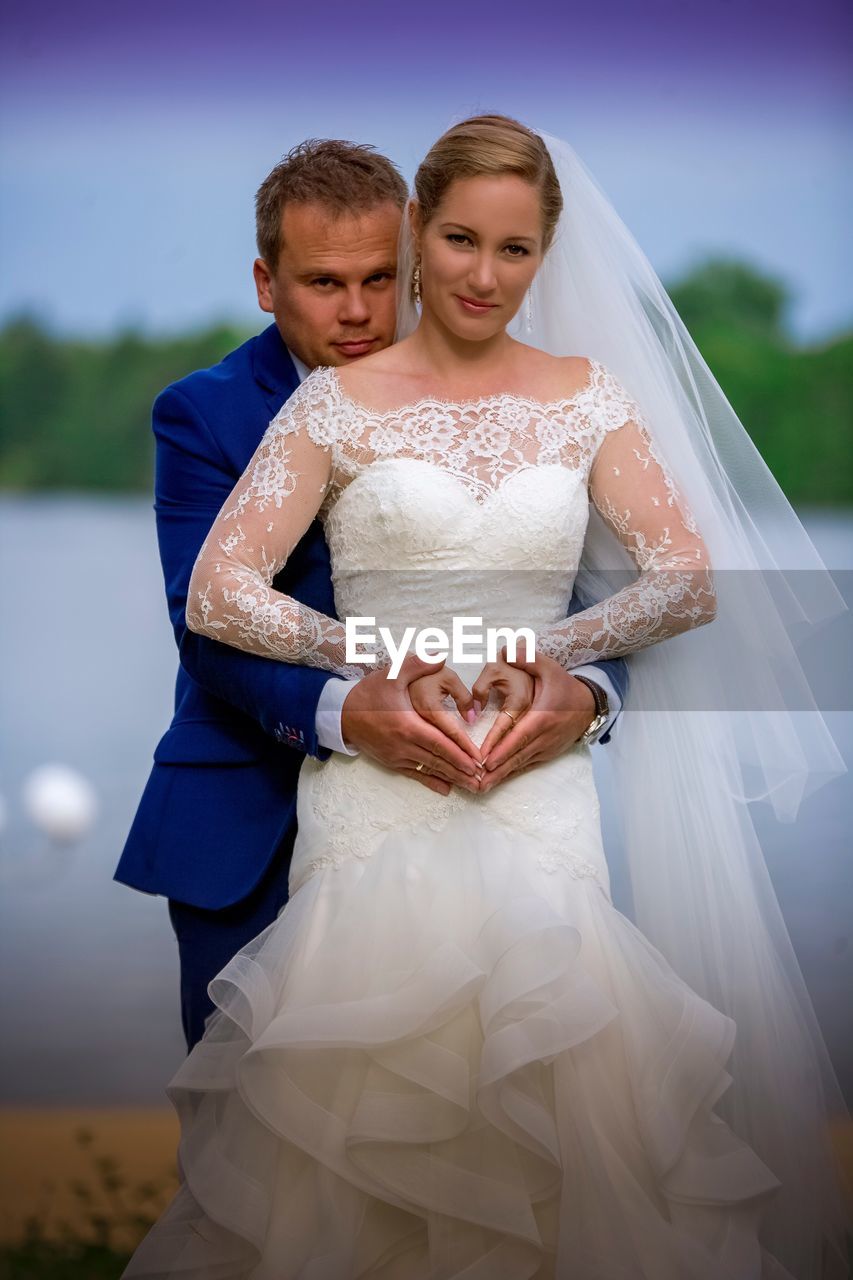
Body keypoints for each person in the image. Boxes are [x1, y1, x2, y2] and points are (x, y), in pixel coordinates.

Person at [123, 116, 850, 1278]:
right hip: (331, 807)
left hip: (532, 796)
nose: (473, 274)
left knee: (561, 1112)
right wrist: (360, 671)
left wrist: (568, 669)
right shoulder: (277, 408)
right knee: (322, 1134)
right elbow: (209, 600)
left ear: (543, 252)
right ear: (420, 234)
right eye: (456, 240)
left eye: (512, 250)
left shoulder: (579, 395)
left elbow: (678, 578)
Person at [113, 139, 626, 1052]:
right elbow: (205, 625)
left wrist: (587, 694)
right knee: (259, 1154)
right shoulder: (203, 411)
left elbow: (596, 591)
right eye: (322, 283)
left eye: (379, 278)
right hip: (250, 825)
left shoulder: (528, 395)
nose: (357, 312)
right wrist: (347, 715)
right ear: (267, 283)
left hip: (493, 806)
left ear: (418, 260)